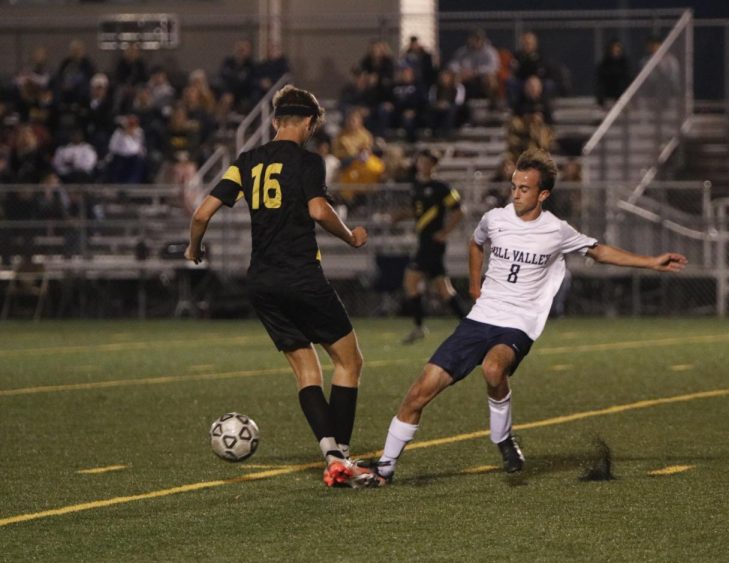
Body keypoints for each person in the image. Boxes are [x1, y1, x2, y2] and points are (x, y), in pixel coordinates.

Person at [366, 149, 687, 485]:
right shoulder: (495, 219)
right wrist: (475, 285)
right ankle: (385, 467)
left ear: (543, 194)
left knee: (493, 369)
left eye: (524, 188)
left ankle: (502, 438)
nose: (516, 193)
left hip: (520, 322)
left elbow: (598, 251)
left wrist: (651, 262)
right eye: (514, 186)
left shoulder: (556, 230)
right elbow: (477, 244)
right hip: (481, 318)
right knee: (419, 391)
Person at [185, 84, 375, 488]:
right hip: (301, 275)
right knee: (349, 361)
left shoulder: (247, 161)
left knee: (307, 370)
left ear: (274, 121)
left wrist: (193, 247)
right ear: (308, 123)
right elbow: (319, 209)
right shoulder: (309, 161)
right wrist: (350, 237)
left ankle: (333, 458)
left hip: (262, 282)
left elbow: (202, 213)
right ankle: (340, 454)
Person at [397, 149, 467, 344]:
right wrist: (401, 216)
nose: (422, 165)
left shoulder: (441, 187)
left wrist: (445, 232)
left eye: (427, 162)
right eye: (420, 161)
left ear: (434, 165)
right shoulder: (417, 186)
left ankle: (419, 327)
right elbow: (419, 212)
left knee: (411, 280)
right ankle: (468, 326)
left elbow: (459, 211)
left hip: (432, 243)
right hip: (424, 240)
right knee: (444, 288)